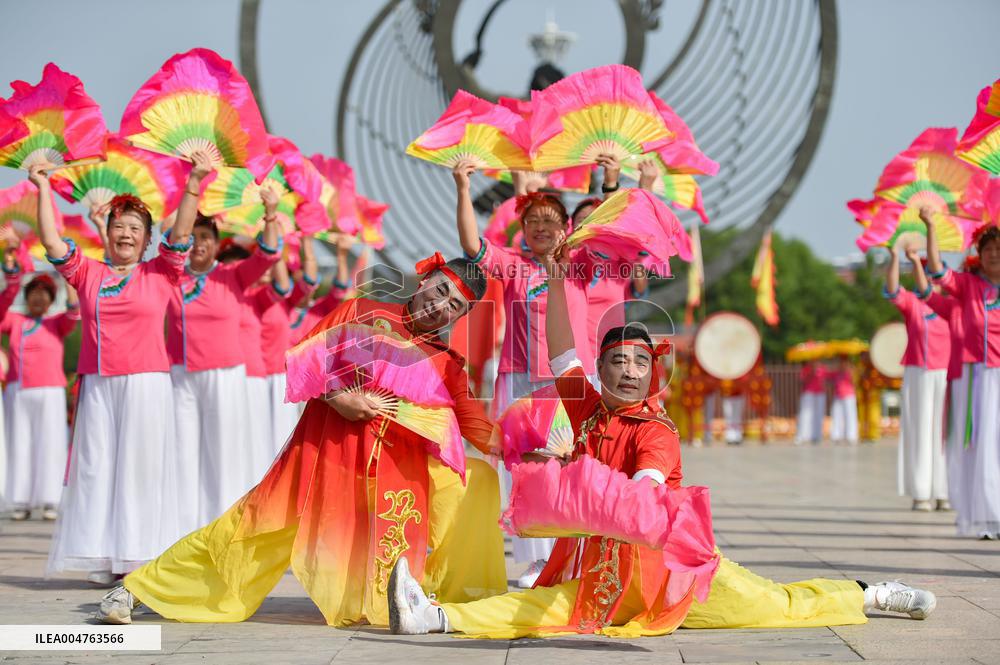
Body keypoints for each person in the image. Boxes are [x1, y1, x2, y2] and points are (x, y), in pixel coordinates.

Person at [388, 246, 938, 637]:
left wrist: (563, 473)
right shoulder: (588, 405)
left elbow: (643, 497)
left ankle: (872, 594)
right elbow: (561, 353)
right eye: (618, 361)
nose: (629, 371)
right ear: (602, 369)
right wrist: (556, 281)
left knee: (777, 605)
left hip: (675, 572)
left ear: (653, 373)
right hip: (609, 569)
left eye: (640, 362)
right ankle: (433, 617)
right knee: (546, 610)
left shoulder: (656, 432)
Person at [97, 255, 508, 627]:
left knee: (468, 490)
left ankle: (427, 602)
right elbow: (304, 356)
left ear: (462, 316)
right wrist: (338, 397)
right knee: (246, 531)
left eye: (454, 305)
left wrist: (526, 448)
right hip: (319, 459)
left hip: (389, 485)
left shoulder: (447, 365)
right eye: (440, 290)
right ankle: (137, 590)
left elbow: (477, 427)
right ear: (424, 281)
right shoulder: (362, 313)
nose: (440, 305)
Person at [31, 151, 203, 585]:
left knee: (139, 468)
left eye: (135, 229)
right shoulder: (87, 272)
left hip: (145, 383)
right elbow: (51, 242)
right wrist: (43, 187)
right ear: (106, 234)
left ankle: (138, 554)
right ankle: (106, 553)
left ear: (146, 240)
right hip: (98, 384)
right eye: (119, 226)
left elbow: (183, 231)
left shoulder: (161, 272)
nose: (126, 234)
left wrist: (194, 182)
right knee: (97, 468)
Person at [452, 159, 598, 588]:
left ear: (567, 227)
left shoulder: (580, 264)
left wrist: (609, 182)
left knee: (569, 466)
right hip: (519, 380)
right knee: (523, 471)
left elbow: (603, 227)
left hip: (568, 380)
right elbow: (471, 245)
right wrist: (463, 187)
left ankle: (570, 554)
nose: (540, 227)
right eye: (532, 221)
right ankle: (536, 560)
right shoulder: (513, 264)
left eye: (550, 220)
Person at [165, 185, 283, 533]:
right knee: (183, 451)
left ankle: (224, 525)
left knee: (223, 452)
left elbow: (268, 254)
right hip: (181, 374)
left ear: (216, 244)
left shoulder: (232, 275)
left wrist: (271, 214)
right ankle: (183, 528)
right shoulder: (171, 277)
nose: (198, 243)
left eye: (206, 237)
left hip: (225, 375)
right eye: (192, 236)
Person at [923, 208, 1000, 539]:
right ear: (979, 256)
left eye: (998, 249)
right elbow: (937, 271)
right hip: (976, 377)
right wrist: (930, 226)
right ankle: (986, 517)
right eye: (988, 249)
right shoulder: (968, 286)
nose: (993, 255)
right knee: (981, 447)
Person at [0, 227, 78, 521]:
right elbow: (2, 306)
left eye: (44, 294)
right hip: (18, 391)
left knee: (50, 444)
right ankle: (20, 500)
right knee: (20, 444)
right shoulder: (14, 321)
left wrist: (68, 276)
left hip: (50, 392)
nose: (38, 299)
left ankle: (49, 499)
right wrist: (11, 267)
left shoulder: (57, 323)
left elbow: (74, 310)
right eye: (33, 293)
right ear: (27, 296)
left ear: (50, 299)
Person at [884, 245, 950, 510]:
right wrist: (895, 258)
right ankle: (921, 492)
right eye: (923, 271)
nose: (930, 278)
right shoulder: (914, 304)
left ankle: (945, 491)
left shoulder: (953, 305)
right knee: (920, 431)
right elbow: (892, 290)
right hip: (919, 373)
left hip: (948, 375)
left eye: (933, 272)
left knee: (946, 433)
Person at [828, 356, 859, 446]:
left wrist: (850, 371)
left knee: (850, 416)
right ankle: (836, 435)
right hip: (838, 396)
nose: (841, 364)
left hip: (849, 396)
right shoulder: (837, 373)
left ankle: (851, 436)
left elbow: (855, 381)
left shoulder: (851, 371)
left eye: (844, 362)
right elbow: (829, 378)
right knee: (836, 415)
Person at [795, 361, 827, 444]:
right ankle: (801, 436)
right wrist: (811, 372)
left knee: (818, 415)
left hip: (820, 393)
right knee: (805, 414)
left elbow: (826, 379)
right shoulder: (806, 369)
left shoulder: (822, 368)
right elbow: (802, 380)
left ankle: (817, 436)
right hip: (808, 393)